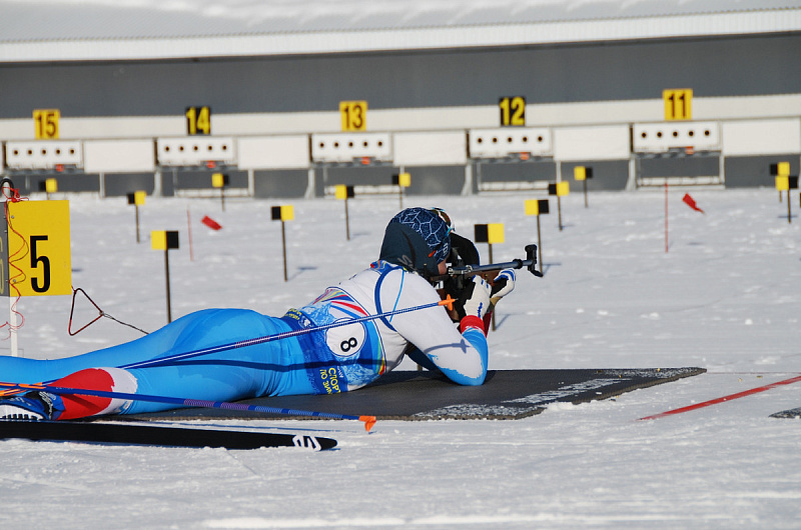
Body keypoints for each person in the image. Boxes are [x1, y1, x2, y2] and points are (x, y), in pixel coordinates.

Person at [0, 207, 515, 421]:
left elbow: (429, 357)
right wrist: (475, 313)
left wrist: (463, 305)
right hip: (251, 363)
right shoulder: (409, 291)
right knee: (137, 393)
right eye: (444, 258)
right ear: (426, 258)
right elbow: (466, 371)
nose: (447, 269)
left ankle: (40, 388)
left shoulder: (371, 278)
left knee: (54, 365)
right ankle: (43, 406)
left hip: (234, 327)